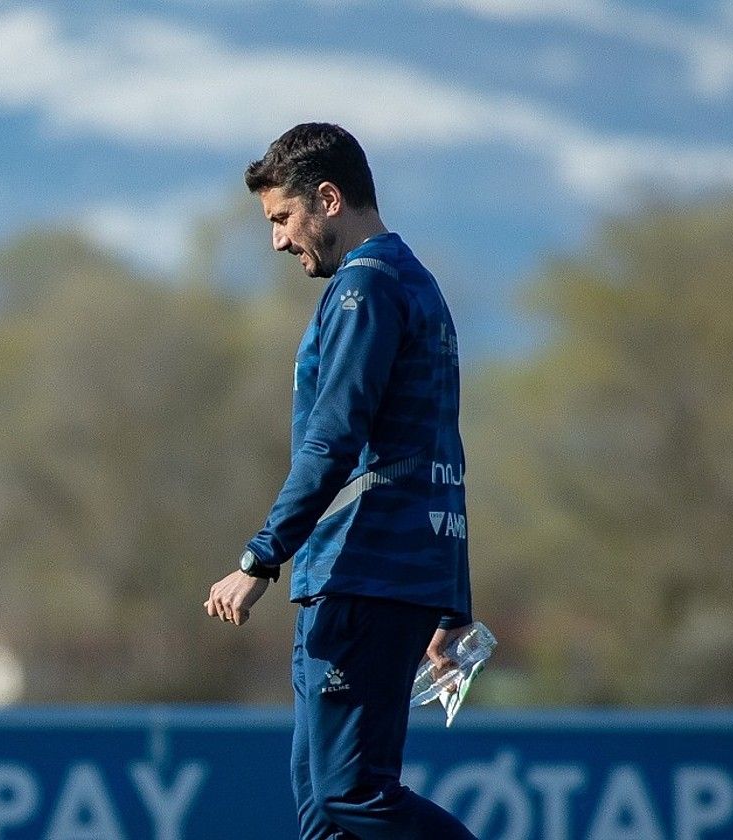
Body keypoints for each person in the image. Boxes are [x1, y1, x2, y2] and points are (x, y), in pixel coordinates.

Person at [204, 122, 478, 840]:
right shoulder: (414, 280)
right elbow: (439, 454)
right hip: (398, 575)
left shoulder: (365, 289)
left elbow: (333, 439)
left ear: (327, 199)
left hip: (364, 574)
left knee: (348, 795)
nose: (277, 241)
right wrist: (451, 603)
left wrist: (261, 556)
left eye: (282, 218)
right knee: (326, 815)